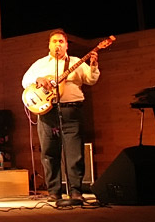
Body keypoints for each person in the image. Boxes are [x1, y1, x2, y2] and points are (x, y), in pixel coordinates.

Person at [21, 29, 99, 203]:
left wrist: (93, 65)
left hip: (72, 111)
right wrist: (38, 79)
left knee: (74, 152)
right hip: (48, 111)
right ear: (49, 45)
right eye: (55, 41)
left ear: (66, 45)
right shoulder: (40, 64)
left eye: (61, 41)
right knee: (49, 152)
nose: (58, 44)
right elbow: (25, 80)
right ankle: (54, 191)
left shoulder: (76, 62)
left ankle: (76, 191)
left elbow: (91, 80)